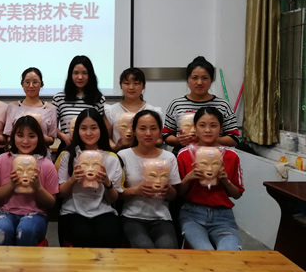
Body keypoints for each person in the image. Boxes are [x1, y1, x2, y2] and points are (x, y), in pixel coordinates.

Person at [176, 107, 244, 250]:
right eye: (202, 125)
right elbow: (178, 193)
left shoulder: (231, 155)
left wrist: (225, 181)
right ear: (195, 127)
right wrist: (189, 178)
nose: (207, 130)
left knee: (229, 253)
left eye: (213, 125)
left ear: (221, 128)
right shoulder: (184, 154)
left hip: (223, 216)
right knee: (205, 252)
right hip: (192, 213)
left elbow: (237, 194)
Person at [57, 108, 123, 248]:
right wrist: (73, 180)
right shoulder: (68, 156)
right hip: (72, 210)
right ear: (77, 130)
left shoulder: (111, 158)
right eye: (83, 128)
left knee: (108, 236)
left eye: (94, 128)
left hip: (103, 210)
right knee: (82, 236)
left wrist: (107, 183)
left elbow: (113, 199)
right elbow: (61, 193)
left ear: (101, 129)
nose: (88, 133)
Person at [0, 116, 58, 246]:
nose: (25, 141)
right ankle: (2, 260)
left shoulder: (46, 165)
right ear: (13, 137)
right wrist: (12, 185)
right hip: (6, 212)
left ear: (39, 138)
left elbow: (51, 203)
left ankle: (25, 260)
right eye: (20, 135)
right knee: (1, 229)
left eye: (31, 136)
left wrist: (38, 187)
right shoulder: (1, 160)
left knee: (26, 229)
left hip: (36, 214)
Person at [118, 110, 180, 249]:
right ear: (134, 131)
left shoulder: (169, 157)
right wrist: (136, 190)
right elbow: (117, 194)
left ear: (160, 131)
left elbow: (174, 195)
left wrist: (168, 190)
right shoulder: (123, 156)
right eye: (142, 128)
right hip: (132, 217)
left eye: (153, 128)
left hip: (161, 217)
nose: (148, 133)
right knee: (145, 248)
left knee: (168, 250)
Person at [163, 56, 240, 154]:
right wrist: (178, 140)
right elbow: (166, 135)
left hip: (215, 158)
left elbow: (234, 138)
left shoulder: (223, 105)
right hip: (183, 157)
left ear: (212, 80)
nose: (199, 82)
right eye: (194, 78)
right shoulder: (176, 105)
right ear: (187, 79)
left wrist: (210, 139)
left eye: (205, 78)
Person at [52, 55, 107, 148]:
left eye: (84, 73)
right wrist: (63, 136)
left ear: (90, 75)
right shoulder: (59, 98)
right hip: (67, 147)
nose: (80, 77)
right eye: (76, 73)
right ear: (70, 75)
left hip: (91, 148)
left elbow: (102, 128)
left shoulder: (99, 99)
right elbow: (52, 127)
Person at [104, 68, 163, 152]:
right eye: (126, 83)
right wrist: (116, 147)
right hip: (118, 155)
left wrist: (145, 141)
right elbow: (107, 138)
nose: (131, 87)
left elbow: (159, 139)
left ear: (143, 86)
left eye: (136, 83)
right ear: (120, 85)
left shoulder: (153, 111)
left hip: (146, 155)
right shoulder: (111, 111)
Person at [3, 67, 57, 152]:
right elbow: (8, 137)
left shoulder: (51, 108)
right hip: (18, 154)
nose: (31, 86)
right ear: (22, 84)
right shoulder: (13, 107)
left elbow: (52, 139)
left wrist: (38, 137)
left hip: (42, 154)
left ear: (41, 84)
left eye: (35, 82)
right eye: (27, 82)